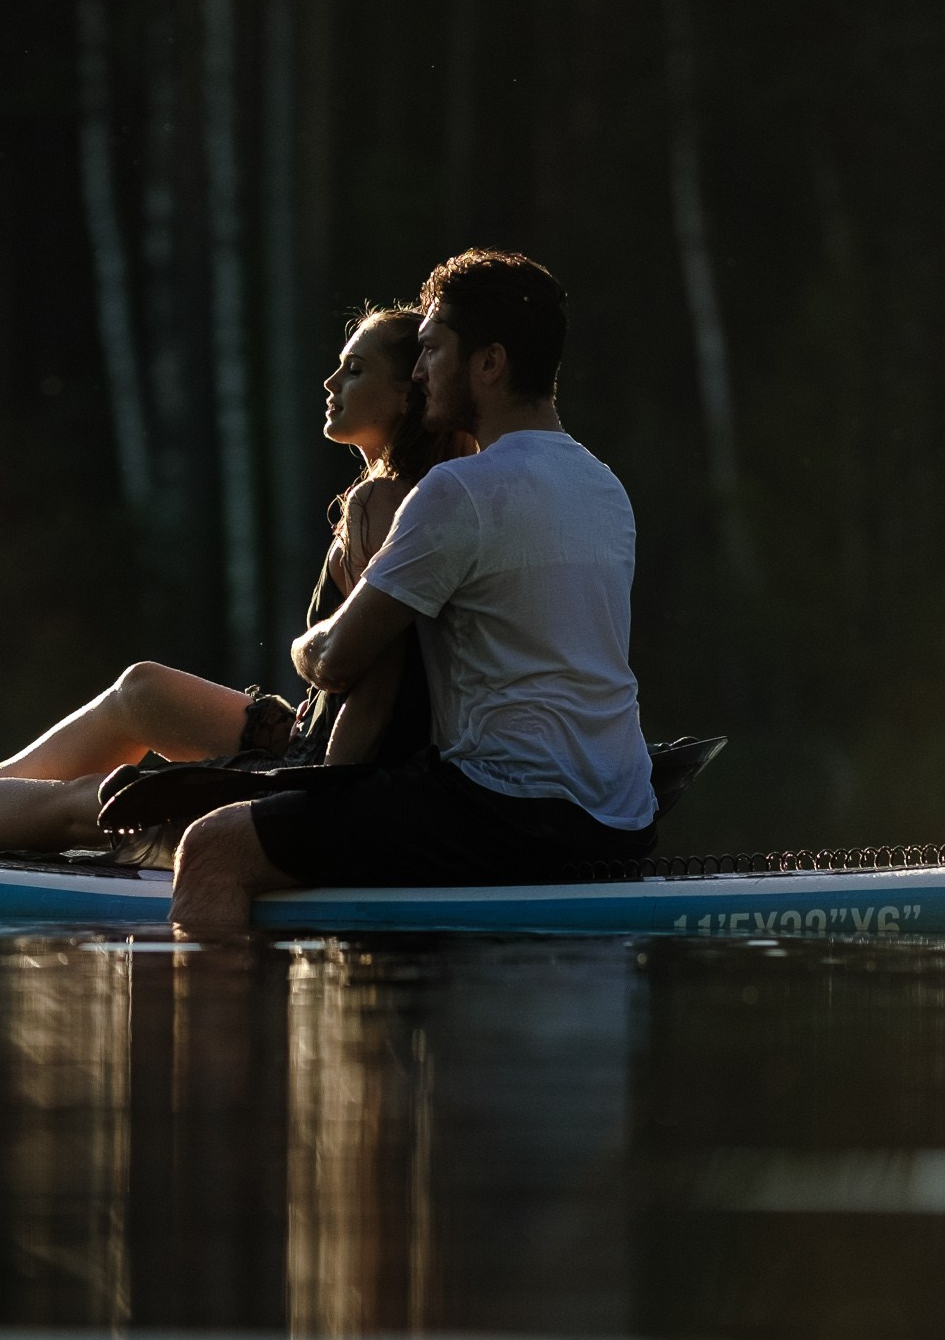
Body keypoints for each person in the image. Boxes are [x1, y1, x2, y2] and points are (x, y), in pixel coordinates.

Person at [0, 305, 468, 854]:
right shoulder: (403, 494)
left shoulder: (381, 504)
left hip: (330, 765)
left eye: (355, 371)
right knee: (143, 690)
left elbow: (378, 679)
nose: (330, 382)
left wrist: (317, 798)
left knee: (98, 802)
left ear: (407, 395)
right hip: (310, 732)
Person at [171, 247, 657, 939]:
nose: (420, 372)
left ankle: (241, 1045)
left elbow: (337, 657)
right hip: (624, 816)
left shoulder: (458, 492)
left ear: (488, 365)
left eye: (431, 351)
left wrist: (300, 645)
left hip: (504, 813)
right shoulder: (604, 486)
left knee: (213, 848)